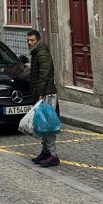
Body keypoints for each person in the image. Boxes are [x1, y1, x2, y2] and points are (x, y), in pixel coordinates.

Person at [27, 29, 59, 167]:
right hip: (42, 93)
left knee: (48, 125)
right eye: (28, 40)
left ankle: (53, 155)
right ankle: (45, 152)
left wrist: (40, 92)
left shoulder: (42, 53)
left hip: (47, 94)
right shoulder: (36, 53)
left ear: (38, 40)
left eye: (32, 40)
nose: (30, 43)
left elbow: (44, 74)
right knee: (42, 123)